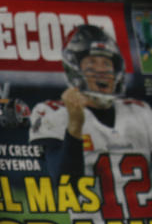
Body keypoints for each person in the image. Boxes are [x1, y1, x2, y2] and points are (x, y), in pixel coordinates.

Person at [29, 24, 152, 185]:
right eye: (92, 62)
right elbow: (64, 184)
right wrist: (75, 125)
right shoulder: (52, 113)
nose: (101, 70)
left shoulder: (140, 112)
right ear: (74, 68)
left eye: (107, 63)